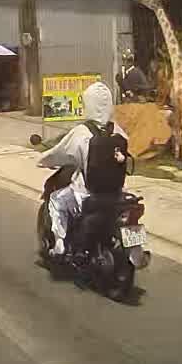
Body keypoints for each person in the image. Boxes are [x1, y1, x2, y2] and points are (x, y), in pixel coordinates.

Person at [37, 81, 128, 257]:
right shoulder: (118, 130)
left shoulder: (81, 132)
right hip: (116, 192)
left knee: (56, 201)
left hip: (86, 194)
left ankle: (60, 244)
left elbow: (59, 153)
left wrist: (42, 161)